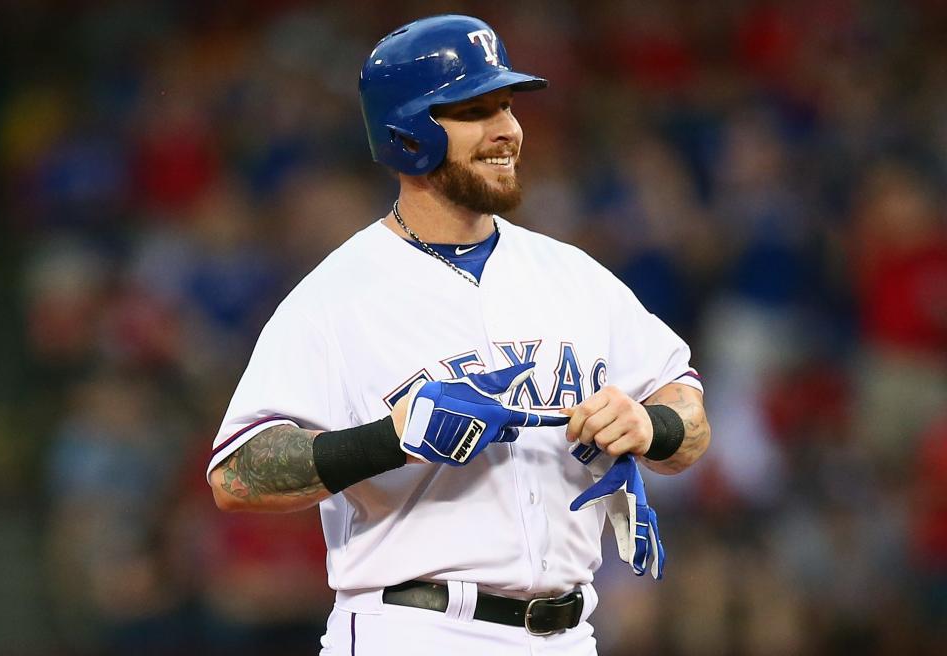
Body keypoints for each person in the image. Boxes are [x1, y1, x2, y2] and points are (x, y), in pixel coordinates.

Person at [207, 14, 710, 655]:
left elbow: (689, 419)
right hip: (417, 629)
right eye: (474, 110)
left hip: (569, 633)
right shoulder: (335, 298)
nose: (508, 130)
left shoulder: (575, 277)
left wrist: (650, 424)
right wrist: (389, 440)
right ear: (408, 133)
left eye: (507, 106)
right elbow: (237, 475)